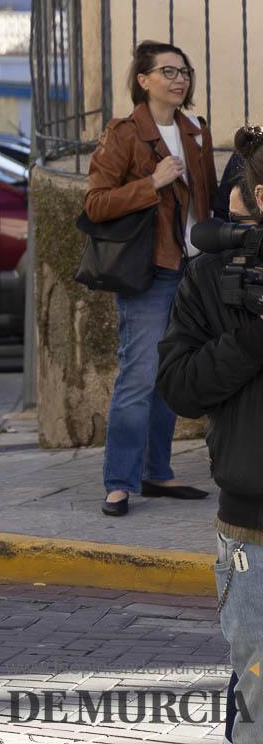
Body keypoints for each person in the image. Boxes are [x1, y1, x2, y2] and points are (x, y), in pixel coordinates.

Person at [157, 125, 263, 744]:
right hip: (250, 526)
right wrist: (253, 336)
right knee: (254, 686)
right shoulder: (211, 278)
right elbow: (180, 387)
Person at [84, 40, 215, 517]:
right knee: (139, 376)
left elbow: (209, 199)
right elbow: (95, 203)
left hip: (193, 267)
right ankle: (119, 482)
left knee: (171, 373)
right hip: (149, 269)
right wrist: (152, 184)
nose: (180, 79)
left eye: (184, 71)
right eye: (168, 71)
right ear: (143, 80)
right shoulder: (124, 134)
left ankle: (156, 471)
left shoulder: (195, 130)